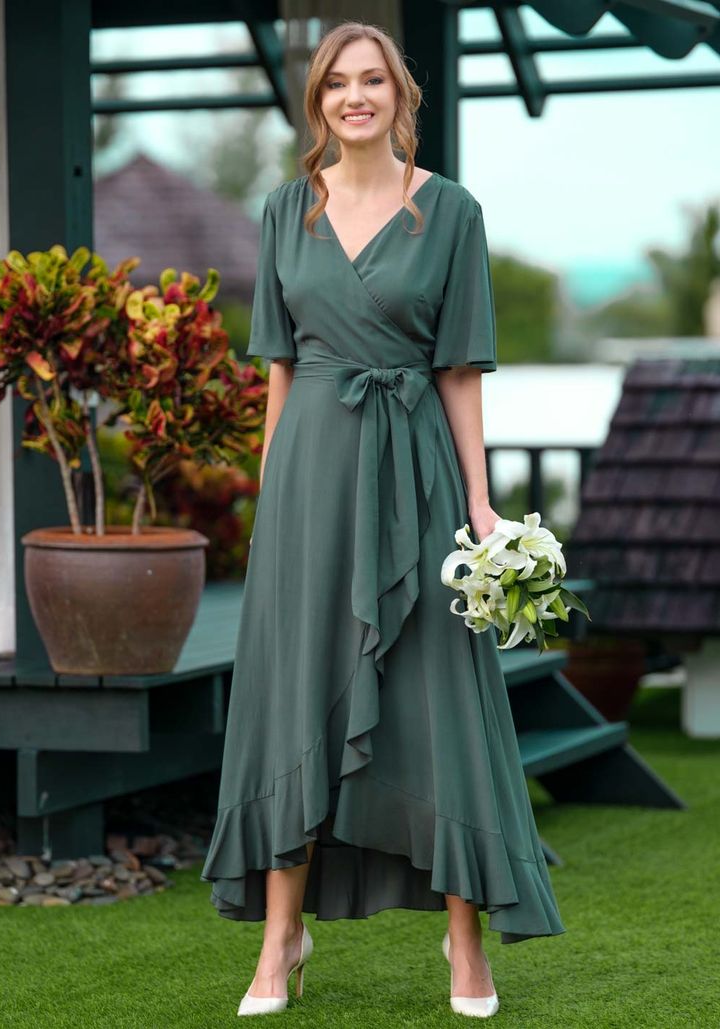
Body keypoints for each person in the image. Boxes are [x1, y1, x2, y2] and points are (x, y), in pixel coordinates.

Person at [201, 19, 566, 1019]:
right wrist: (268, 493)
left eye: (371, 82)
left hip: (415, 477)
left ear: (400, 97)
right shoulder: (285, 210)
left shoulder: (450, 213)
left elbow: (457, 369)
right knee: (294, 699)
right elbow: (276, 368)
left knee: (438, 705)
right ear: (315, 104)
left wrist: (480, 501)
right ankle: (280, 941)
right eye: (335, 85)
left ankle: (465, 946)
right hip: (309, 477)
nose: (353, 98)